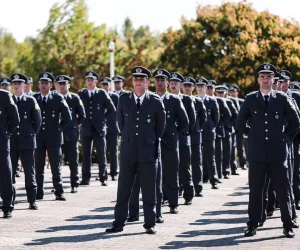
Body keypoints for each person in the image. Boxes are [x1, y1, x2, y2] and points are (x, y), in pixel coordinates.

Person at [237, 63, 300, 238]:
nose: (265, 80)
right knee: (256, 190)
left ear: (273, 79)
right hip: (257, 154)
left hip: (278, 153)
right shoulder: (250, 99)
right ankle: (252, 223)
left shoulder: (282, 99)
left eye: (269, 77)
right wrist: (253, 136)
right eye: (262, 77)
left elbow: (296, 123)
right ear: (258, 79)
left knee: (283, 189)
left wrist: (286, 138)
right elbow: (240, 123)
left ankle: (287, 224)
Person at [106, 66, 166, 234]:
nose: (138, 82)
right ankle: (118, 223)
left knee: (149, 189)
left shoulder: (155, 101)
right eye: (135, 79)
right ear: (132, 81)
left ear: (147, 82)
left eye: (141, 79)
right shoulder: (124, 100)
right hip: (129, 150)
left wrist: (149, 140)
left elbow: (160, 126)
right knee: (124, 188)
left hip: (148, 151)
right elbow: (121, 124)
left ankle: (149, 223)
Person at [33, 72, 72, 201]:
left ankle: (59, 191)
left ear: (51, 85)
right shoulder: (34, 98)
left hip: (54, 137)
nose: (44, 85)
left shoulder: (57, 98)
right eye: (42, 83)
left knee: (56, 166)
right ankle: (39, 191)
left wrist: (59, 128)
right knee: (39, 166)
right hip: (38, 137)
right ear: (39, 85)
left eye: (46, 83)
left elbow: (68, 117)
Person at [10, 73, 41, 210]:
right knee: (9, 172)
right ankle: (9, 199)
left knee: (29, 171)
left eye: (19, 84)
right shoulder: (8, 100)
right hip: (11, 142)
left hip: (27, 141)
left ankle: (32, 200)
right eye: (14, 84)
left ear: (25, 85)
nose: (16, 86)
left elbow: (37, 121)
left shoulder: (30, 101)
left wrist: (30, 133)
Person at [78, 71, 116, 186]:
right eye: (88, 80)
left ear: (96, 81)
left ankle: (103, 178)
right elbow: (77, 109)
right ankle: (85, 178)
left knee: (101, 153)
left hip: (99, 128)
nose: (89, 82)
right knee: (86, 154)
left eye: (91, 80)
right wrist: (80, 120)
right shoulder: (81, 94)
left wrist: (102, 118)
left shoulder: (102, 93)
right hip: (86, 128)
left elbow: (111, 109)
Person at [169, 72, 195, 205]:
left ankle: (188, 194)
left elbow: (192, 120)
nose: (173, 85)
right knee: (169, 168)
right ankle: (170, 193)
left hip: (183, 138)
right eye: (172, 83)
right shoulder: (164, 99)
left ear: (180, 85)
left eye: (176, 83)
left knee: (184, 167)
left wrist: (184, 133)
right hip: (168, 139)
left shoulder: (186, 99)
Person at [58, 75, 86, 193]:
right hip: (58, 134)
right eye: (60, 84)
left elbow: (82, 115)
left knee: (73, 161)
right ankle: (58, 185)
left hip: (71, 134)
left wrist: (76, 125)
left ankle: (74, 183)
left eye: (64, 84)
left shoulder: (74, 98)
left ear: (68, 85)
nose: (62, 86)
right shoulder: (55, 97)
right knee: (57, 161)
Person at [181, 76, 207, 196]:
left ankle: (198, 186)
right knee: (182, 163)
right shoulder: (179, 100)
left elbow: (203, 118)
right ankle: (181, 186)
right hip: (183, 135)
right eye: (185, 85)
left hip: (195, 136)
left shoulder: (198, 101)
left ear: (193, 87)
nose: (187, 88)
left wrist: (197, 129)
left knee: (197, 162)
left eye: (189, 86)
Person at [195, 78, 220, 188]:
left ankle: (213, 180)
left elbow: (216, 117)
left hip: (208, 132)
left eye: (202, 86)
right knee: (196, 158)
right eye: (198, 86)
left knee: (210, 156)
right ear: (196, 88)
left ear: (206, 88)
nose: (200, 88)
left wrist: (211, 127)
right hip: (196, 132)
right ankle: (199, 179)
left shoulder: (212, 100)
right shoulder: (193, 99)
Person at [0, 87, 19, 218]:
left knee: (5, 174)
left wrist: (6, 134)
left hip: (1, 141)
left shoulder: (5, 96)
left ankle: (7, 206)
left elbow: (15, 119)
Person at [99, 77, 120, 180]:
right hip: (101, 127)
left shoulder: (115, 97)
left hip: (112, 127)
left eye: (107, 84)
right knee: (101, 151)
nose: (105, 86)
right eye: (103, 84)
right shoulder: (98, 96)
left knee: (113, 151)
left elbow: (118, 112)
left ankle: (114, 172)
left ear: (110, 86)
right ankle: (102, 174)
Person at [214, 85, 232, 180]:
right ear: (215, 92)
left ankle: (226, 170)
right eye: (219, 92)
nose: (220, 94)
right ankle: (219, 171)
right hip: (217, 130)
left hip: (226, 130)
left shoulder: (229, 102)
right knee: (217, 153)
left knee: (226, 152)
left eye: (222, 93)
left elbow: (233, 115)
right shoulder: (214, 100)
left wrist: (228, 125)